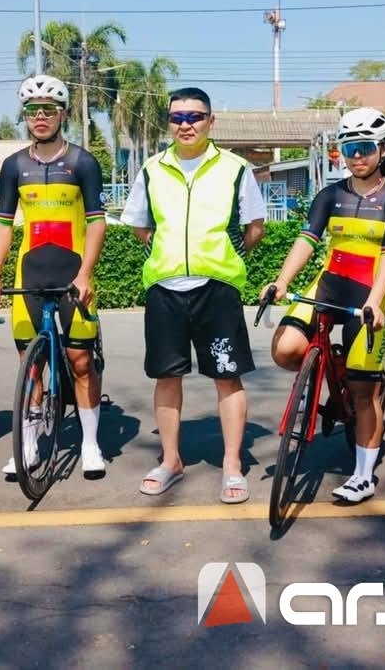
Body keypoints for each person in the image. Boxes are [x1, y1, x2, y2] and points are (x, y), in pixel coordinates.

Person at [120, 87, 266, 504]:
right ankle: (171, 461)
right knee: (167, 377)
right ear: (169, 123)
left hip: (216, 287)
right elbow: (139, 224)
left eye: (195, 117)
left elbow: (254, 226)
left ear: (210, 121)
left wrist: (226, 255)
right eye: (177, 118)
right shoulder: (152, 169)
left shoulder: (235, 168)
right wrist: (163, 253)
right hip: (165, 288)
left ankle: (232, 465)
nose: (185, 125)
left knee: (227, 376)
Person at [265, 107, 385, 503]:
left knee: (364, 392)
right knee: (285, 349)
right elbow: (307, 241)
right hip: (329, 284)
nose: (357, 156)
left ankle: (363, 477)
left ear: (383, 149)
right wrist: (281, 281)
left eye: (365, 147)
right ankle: (330, 371)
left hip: (368, 292)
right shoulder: (330, 195)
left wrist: (375, 302)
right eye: (349, 149)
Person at [0, 74, 109, 479]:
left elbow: (97, 222)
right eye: (32, 110)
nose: (40, 116)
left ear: (62, 114)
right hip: (30, 272)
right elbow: (2, 224)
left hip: (72, 272)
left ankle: (90, 445)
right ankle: (30, 444)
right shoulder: (14, 165)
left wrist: (86, 274)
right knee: (30, 364)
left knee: (81, 362)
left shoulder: (82, 162)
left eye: (48, 109)